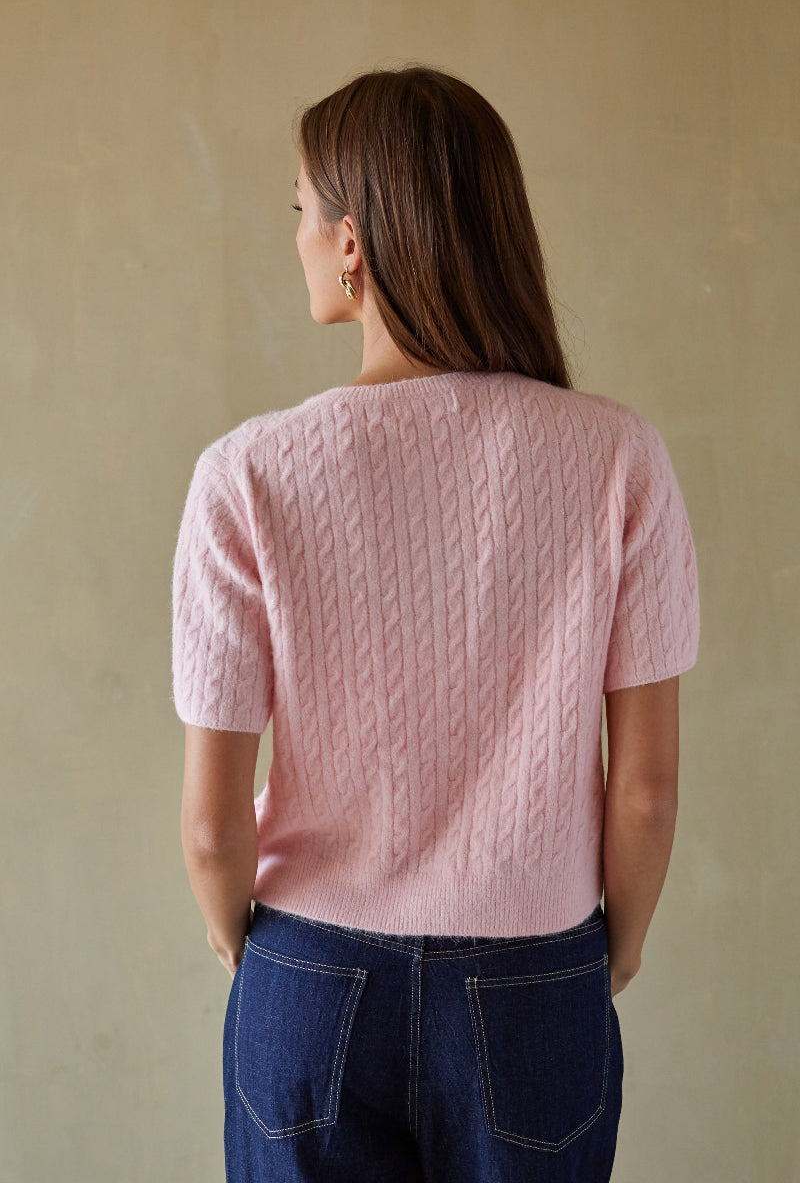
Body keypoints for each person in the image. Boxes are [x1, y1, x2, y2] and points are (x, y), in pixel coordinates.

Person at [171, 64, 700, 1183]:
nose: (299, 239)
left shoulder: (247, 474)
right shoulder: (617, 457)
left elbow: (215, 824)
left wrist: (245, 947)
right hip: (535, 984)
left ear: (352, 242)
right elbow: (643, 790)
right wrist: (619, 947)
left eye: (302, 213)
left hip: (308, 978)